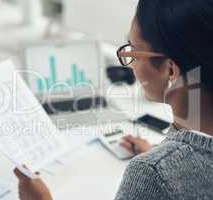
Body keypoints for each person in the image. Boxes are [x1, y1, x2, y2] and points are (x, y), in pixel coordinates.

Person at [14, 0, 213, 199]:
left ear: (170, 70)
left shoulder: (152, 174)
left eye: (133, 52)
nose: (131, 65)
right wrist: (163, 153)